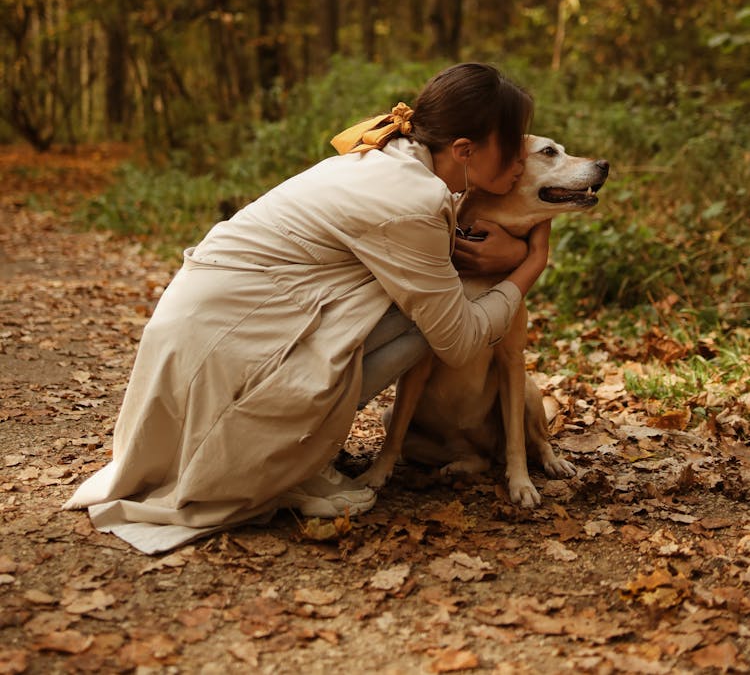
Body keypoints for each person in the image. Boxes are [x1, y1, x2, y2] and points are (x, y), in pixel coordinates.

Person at [64, 63, 551, 554]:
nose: (519, 163)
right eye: (512, 150)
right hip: (232, 348)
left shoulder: (390, 159)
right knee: (429, 322)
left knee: (423, 305)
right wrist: (531, 262)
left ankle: (302, 446)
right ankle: (288, 459)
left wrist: (505, 253)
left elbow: (433, 264)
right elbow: (460, 338)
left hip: (208, 329)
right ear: (464, 151)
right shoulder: (414, 197)